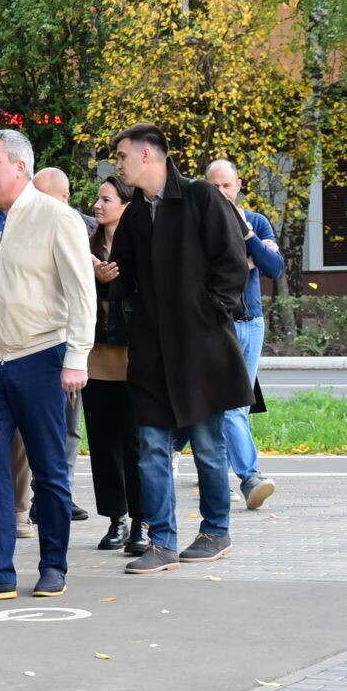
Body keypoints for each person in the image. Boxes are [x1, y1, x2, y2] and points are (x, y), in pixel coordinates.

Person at [0, 130, 94, 602]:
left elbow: (80, 293)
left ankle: (53, 565)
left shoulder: (57, 219)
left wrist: (76, 357)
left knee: (49, 470)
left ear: (20, 168)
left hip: (42, 360)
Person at [109, 124, 252, 575]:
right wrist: (111, 280)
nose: (118, 164)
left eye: (122, 156)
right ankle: (162, 541)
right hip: (152, 351)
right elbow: (129, 279)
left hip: (201, 347)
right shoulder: (134, 215)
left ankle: (216, 531)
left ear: (148, 155)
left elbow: (232, 265)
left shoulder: (200, 198)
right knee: (152, 446)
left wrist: (210, 313)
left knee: (208, 445)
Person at [206, 159, 283, 511]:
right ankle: (247, 477)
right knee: (226, 405)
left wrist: (249, 238)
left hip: (249, 322)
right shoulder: (198, 224)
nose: (221, 192)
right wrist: (242, 261)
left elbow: (273, 268)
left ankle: (230, 475)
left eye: (227, 185)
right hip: (212, 324)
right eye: (214, 186)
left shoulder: (256, 222)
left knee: (233, 403)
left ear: (238, 186)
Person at [24, 166, 96, 525]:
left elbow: (82, 295)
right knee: (45, 427)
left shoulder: (80, 228)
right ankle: (44, 497)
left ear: (65, 198)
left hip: (69, 343)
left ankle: (56, 494)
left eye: (43, 196)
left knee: (69, 427)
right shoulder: (24, 225)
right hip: (36, 344)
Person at [82, 176, 145, 553]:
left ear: (125, 204)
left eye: (106, 199)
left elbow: (146, 292)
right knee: (103, 445)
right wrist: (93, 277)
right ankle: (115, 518)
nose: (98, 205)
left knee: (134, 443)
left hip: (133, 358)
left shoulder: (139, 242)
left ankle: (142, 520)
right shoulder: (84, 246)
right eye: (97, 199)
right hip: (93, 359)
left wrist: (109, 282)